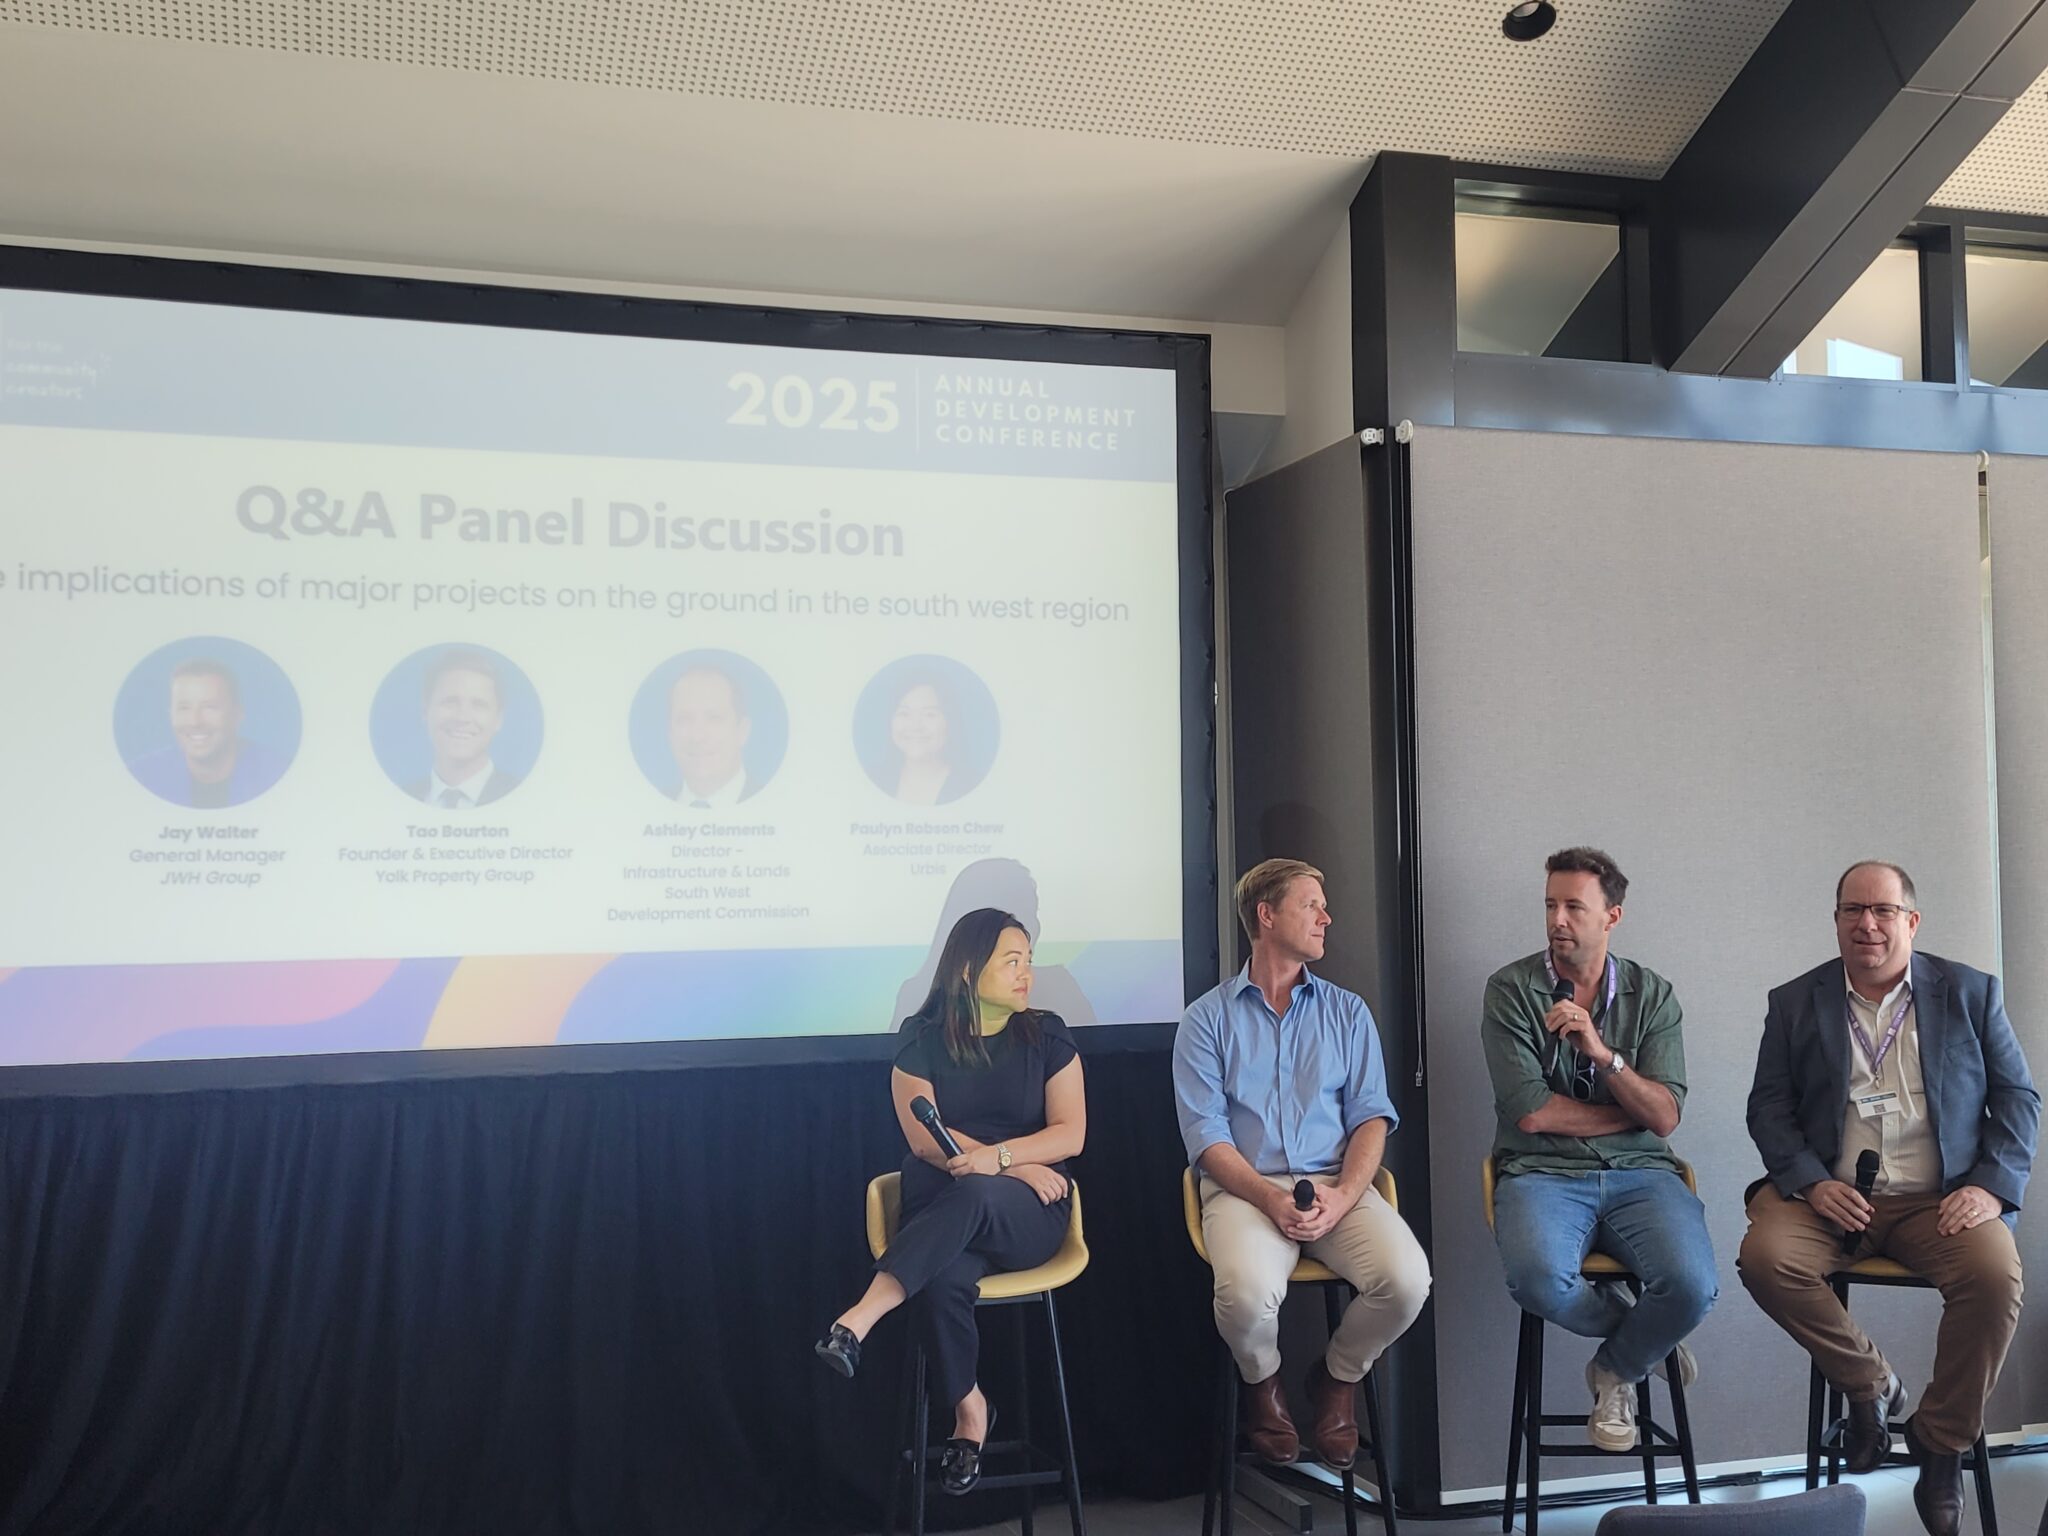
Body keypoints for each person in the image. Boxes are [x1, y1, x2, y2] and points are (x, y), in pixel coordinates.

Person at [1740, 861, 2037, 1536]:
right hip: (1832, 1199)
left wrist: (1991, 1187)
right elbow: (1769, 1108)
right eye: (1852, 910)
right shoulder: (1796, 1001)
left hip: (1940, 1200)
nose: (1867, 924)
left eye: (1882, 911)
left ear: (1912, 920)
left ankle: (1940, 1441)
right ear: (1836, 919)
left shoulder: (1969, 993)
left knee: (1995, 1278)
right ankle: (1871, 1384)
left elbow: (2018, 1098)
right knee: (1765, 1258)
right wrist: (1812, 1181)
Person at [815, 908, 1084, 1497]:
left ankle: (858, 1319)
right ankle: (970, 1413)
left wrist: (1001, 1161)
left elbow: (1071, 1134)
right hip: (944, 1201)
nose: (1026, 974)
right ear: (967, 969)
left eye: (1028, 961)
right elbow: (923, 1139)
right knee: (939, 1279)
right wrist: (1010, 1161)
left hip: (1027, 1213)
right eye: (1012, 962)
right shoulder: (921, 1037)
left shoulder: (1048, 1034)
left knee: (979, 1191)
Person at [1172, 858, 1430, 1469]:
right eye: (1311, 904)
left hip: (1337, 1185)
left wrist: (1343, 1195)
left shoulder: (1348, 1012)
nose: (1326, 917)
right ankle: (1263, 1384)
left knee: (1407, 1282)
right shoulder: (1206, 1019)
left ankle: (1337, 1380)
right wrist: (1268, 1197)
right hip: (1245, 1189)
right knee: (1245, 1294)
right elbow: (1206, 1137)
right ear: (1266, 915)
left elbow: (1372, 1118)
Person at [1481, 847, 1716, 1453]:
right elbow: (1532, 1112)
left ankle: (1615, 1369)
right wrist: (1630, 1114)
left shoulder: (1652, 994)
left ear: (1612, 916)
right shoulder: (1511, 990)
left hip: (1643, 1175)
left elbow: (1665, 1116)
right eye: (1550, 905)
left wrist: (1603, 1056)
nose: (1557, 920)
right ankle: (1646, 1340)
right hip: (1542, 1173)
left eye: (1573, 907)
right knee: (1537, 1280)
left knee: (1692, 1288)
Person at [128, 658, 290, 808]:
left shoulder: (278, 775)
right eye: (184, 708)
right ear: (171, 715)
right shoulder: (141, 777)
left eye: (210, 707)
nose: (195, 722)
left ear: (237, 714)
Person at [405, 648, 521, 808]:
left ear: (498, 719)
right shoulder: (397, 798)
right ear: (425, 711)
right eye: (450, 701)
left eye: (478, 704)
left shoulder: (525, 797)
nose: (462, 718)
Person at [667, 664, 758, 809]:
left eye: (714, 718)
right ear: (670, 733)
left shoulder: (777, 804)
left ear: (742, 731)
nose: (697, 737)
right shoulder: (646, 806)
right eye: (685, 719)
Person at [886, 678, 955, 805]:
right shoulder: (875, 780)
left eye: (929, 714)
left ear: (950, 721)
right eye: (904, 713)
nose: (915, 726)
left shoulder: (967, 784)